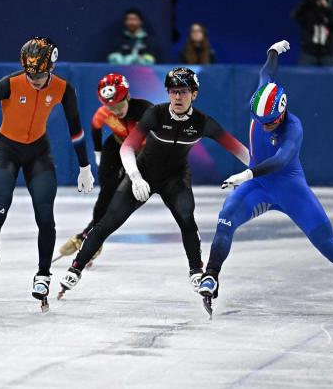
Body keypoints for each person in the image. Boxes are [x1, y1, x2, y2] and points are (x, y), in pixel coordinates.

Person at [196, 40, 333, 318]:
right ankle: (212, 275)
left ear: (282, 112)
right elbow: (267, 71)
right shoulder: (264, 96)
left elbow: (281, 161)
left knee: (329, 246)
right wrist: (272, 51)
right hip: (259, 187)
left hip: (289, 189)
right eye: (259, 120)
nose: (264, 125)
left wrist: (247, 173)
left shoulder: (293, 127)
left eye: (270, 121)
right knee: (225, 219)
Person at [58, 67, 250, 299]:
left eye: (183, 91)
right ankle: (76, 267)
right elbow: (127, 147)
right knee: (109, 220)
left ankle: (196, 270)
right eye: (173, 92)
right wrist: (136, 177)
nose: (178, 97)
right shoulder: (156, 114)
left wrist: (254, 171)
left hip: (175, 178)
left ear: (194, 94)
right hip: (145, 173)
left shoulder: (203, 123)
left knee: (187, 218)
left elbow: (239, 150)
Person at [0, 36, 94, 314]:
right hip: (7, 151)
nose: (34, 79)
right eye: (30, 73)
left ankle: (43, 274)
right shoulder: (11, 83)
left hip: (39, 153)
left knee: (45, 217)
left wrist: (85, 166)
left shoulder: (64, 89)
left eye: (39, 74)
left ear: (52, 66)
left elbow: (76, 129)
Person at [58, 73, 153, 266]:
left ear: (127, 97)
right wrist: (98, 152)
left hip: (143, 152)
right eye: (110, 107)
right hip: (116, 146)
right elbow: (95, 129)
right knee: (106, 193)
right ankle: (93, 237)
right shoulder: (103, 113)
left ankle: (87, 235)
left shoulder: (146, 111)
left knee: (121, 198)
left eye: (118, 105)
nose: (115, 111)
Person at [292, 0, 333, 66]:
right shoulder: (308, 5)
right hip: (308, 52)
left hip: (330, 53)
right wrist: (307, 0)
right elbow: (295, 15)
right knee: (305, 76)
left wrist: (327, 8)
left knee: (331, 76)